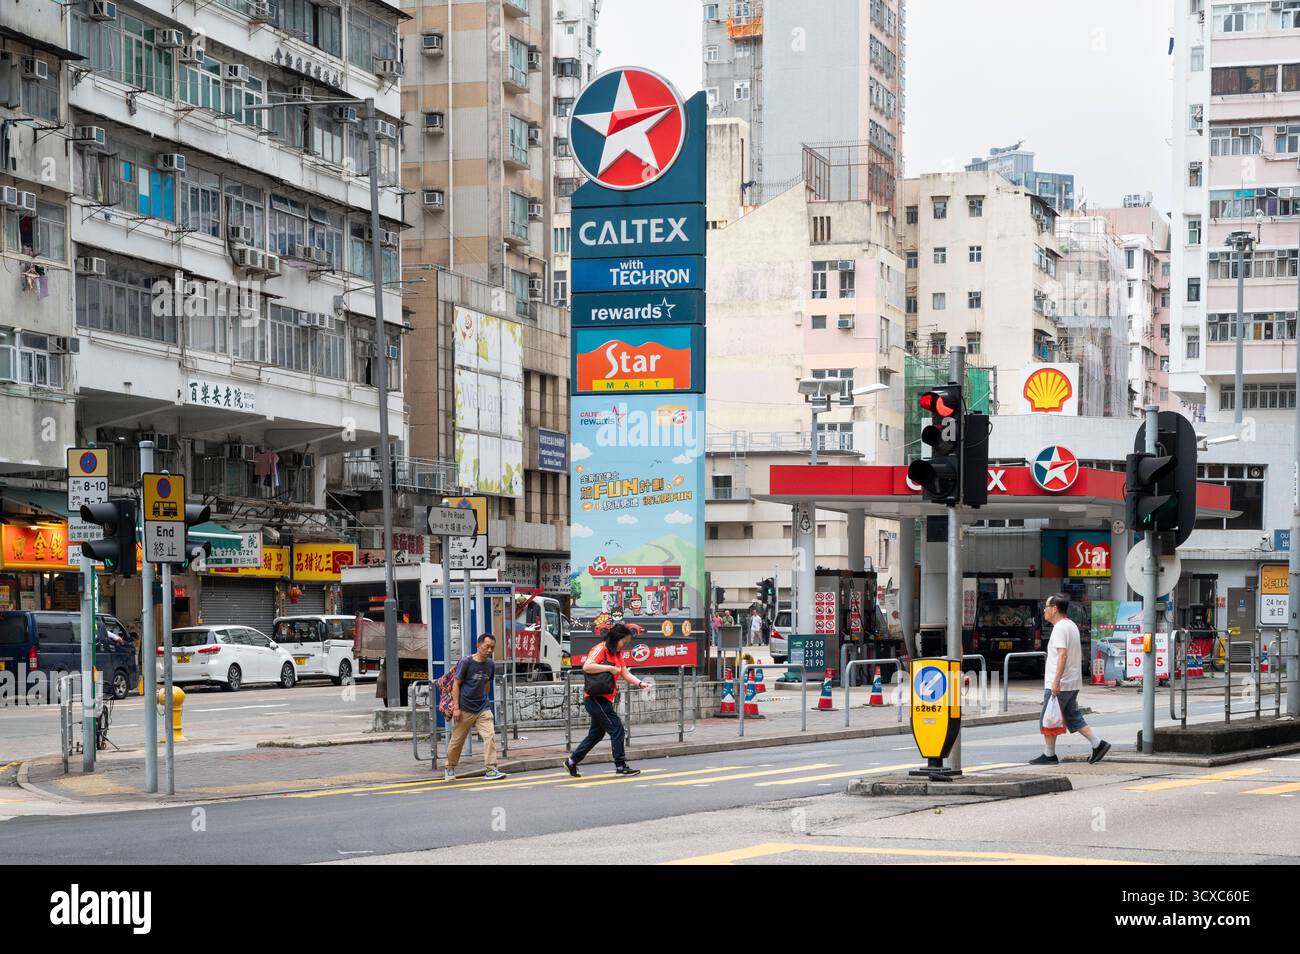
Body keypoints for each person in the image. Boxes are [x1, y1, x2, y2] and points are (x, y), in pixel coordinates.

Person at [1029, 594, 1110, 766]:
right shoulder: (1071, 625)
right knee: (1072, 716)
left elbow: (1062, 655)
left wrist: (1055, 682)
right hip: (1073, 682)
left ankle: (1049, 754)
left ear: (1055, 609)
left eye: (1046, 606)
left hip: (1061, 683)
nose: (1044, 609)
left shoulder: (1059, 628)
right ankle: (1098, 744)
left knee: (1049, 718)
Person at [564, 622, 649, 778]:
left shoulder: (617, 654)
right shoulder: (600, 649)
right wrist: (609, 668)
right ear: (616, 638)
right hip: (595, 699)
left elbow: (624, 673)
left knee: (596, 735)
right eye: (624, 642)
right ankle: (621, 765)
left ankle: (572, 761)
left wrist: (640, 683)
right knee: (617, 729)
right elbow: (587, 666)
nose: (625, 645)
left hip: (604, 699)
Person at [445, 634, 506, 781]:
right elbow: (456, 684)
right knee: (457, 740)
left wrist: (485, 699)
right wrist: (456, 708)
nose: (490, 650)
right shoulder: (466, 662)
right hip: (465, 708)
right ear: (478, 646)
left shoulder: (490, 664)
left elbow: (487, 684)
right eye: (487, 647)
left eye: (492, 648)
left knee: (489, 736)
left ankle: (491, 769)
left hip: (482, 708)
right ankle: (449, 767)